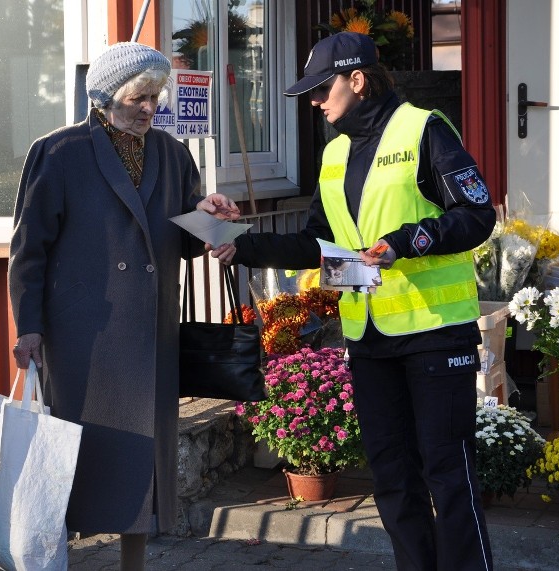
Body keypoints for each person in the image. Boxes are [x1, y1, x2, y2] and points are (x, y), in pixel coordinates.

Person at [211, 32, 495, 570]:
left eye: (322, 90)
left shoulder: (425, 130)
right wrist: (241, 241)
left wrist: (405, 242)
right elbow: (315, 243)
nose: (315, 103)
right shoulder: (335, 153)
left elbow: (477, 215)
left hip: (436, 334)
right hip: (368, 339)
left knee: (447, 474)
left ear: (357, 80)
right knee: (391, 475)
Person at [8, 42, 239, 571]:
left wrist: (211, 217)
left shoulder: (171, 153)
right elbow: (29, 250)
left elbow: (182, 235)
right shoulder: (59, 152)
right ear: (107, 95)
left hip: (149, 334)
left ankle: (132, 563)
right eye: (139, 96)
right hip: (82, 336)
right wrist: (30, 326)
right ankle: (56, 554)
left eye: (156, 98)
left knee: (140, 459)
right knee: (71, 456)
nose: (149, 109)